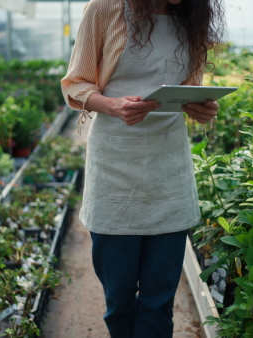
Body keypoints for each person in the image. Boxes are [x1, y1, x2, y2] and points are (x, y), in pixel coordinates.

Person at [61, 0, 225, 336]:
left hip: (168, 169)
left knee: (159, 305)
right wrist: (113, 105)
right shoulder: (104, 9)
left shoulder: (191, 15)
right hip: (115, 169)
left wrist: (199, 106)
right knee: (119, 303)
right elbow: (75, 84)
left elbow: (188, 86)